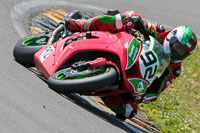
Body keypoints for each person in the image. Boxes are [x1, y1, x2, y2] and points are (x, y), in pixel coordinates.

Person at [60, 10, 198, 119]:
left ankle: (98, 85)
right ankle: (78, 25)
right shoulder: (160, 32)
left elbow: (156, 91)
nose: (178, 52)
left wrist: (142, 96)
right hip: (124, 46)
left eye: (183, 52)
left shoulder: (175, 69)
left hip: (132, 75)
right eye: (177, 46)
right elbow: (140, 22)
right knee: (121, 19)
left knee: (129, 110)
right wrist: (131, 19)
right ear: (171, 37)